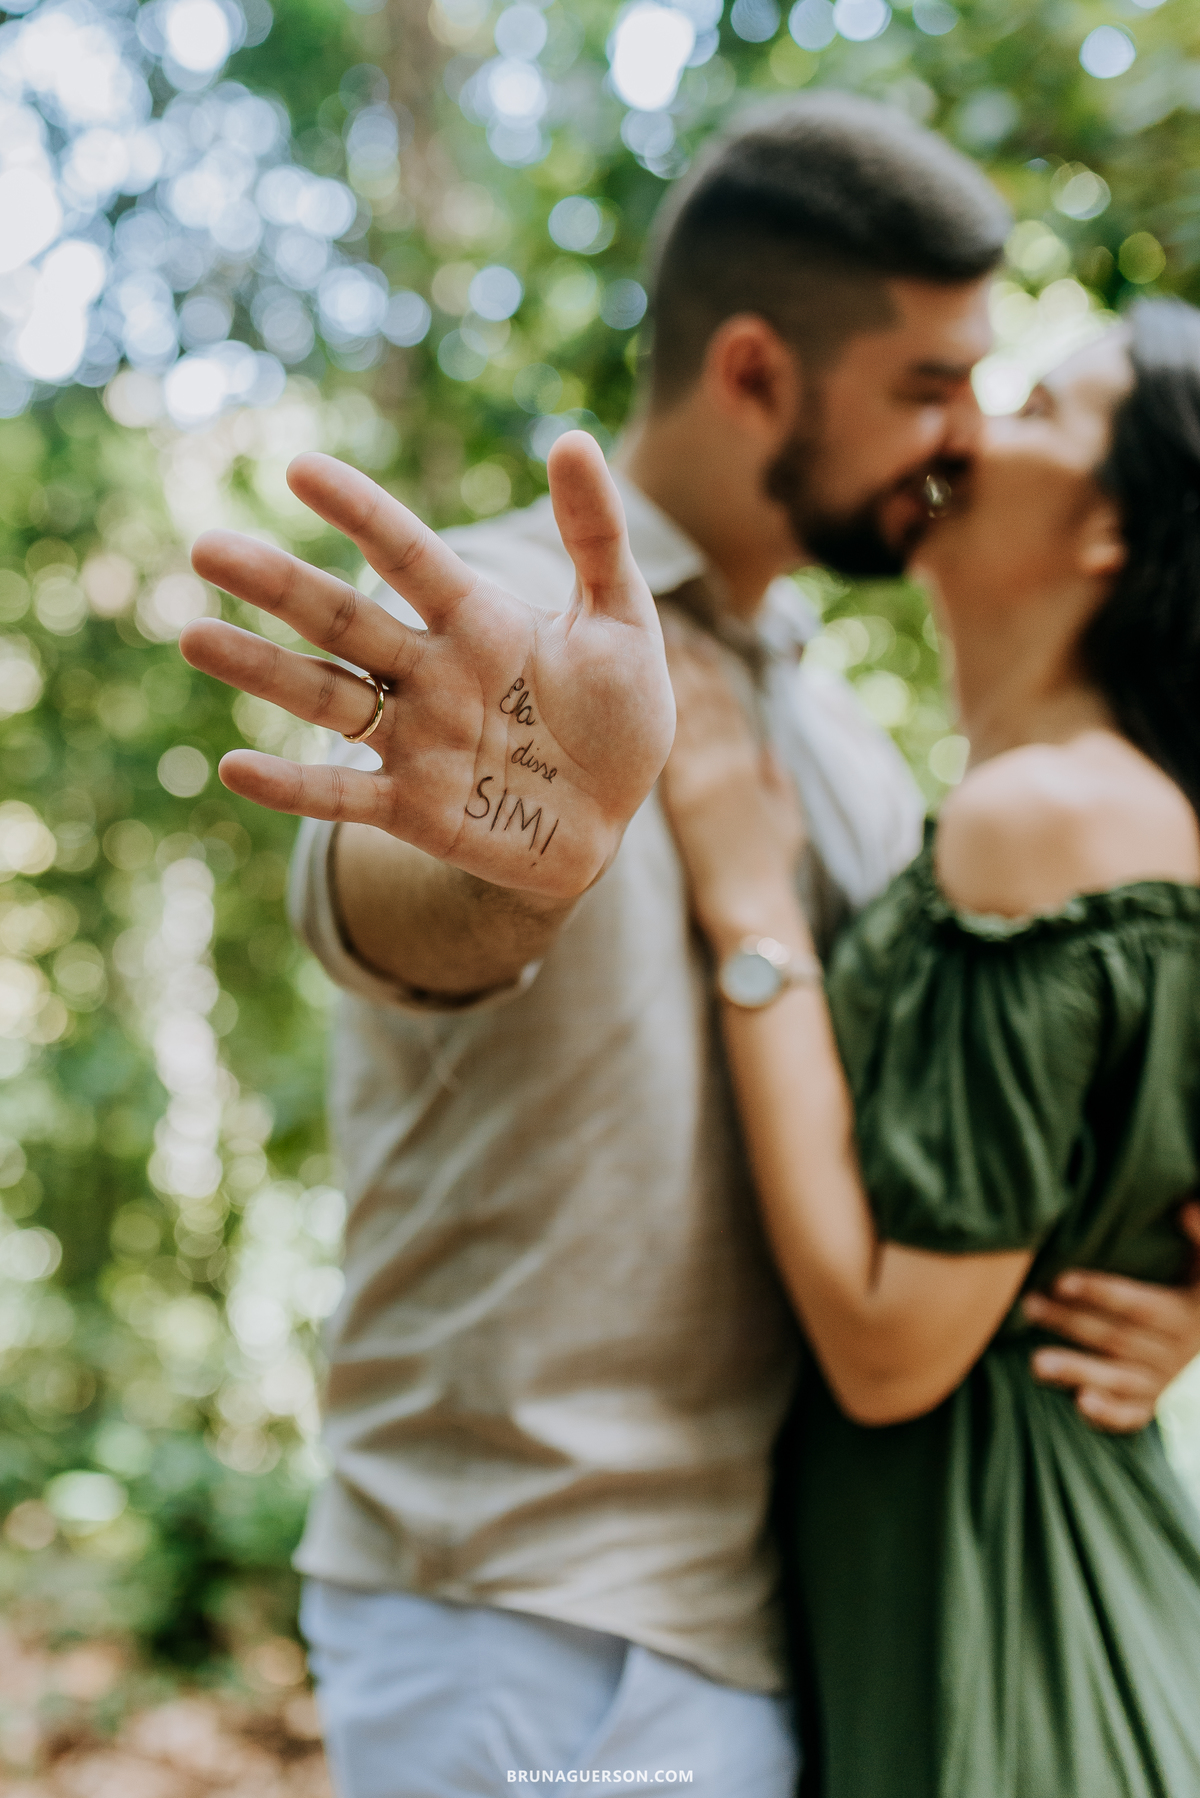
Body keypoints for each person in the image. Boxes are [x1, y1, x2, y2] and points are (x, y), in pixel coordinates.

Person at [178, 96, 1200, 1796]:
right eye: (931, 385)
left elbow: (1015, 1111)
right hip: (541, 1616)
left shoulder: (855, 747)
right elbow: (391, 915)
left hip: (782, 1629)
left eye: (996, 388)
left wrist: (1163, 1272)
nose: (963, 433)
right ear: (753, 374)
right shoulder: (493, 631)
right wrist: (520, 866)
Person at [658, 298, 1200, 1796]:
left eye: (1033, 412)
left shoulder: (1052, 815)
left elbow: (891, 1347)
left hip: (1010, 1613)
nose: (965, 427)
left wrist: (752, 902)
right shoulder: (1076, 801)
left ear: (1111, 532)